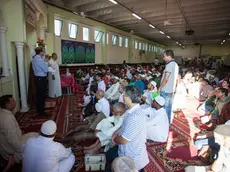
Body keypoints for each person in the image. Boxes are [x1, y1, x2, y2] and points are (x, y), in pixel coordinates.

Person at [106, 86, 149, 172]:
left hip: (131, 155)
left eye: (124, 94)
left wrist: (114, 139)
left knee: (110, 168)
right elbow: (124, 125)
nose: (122, 96)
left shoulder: (135, 117)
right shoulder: (130, 110)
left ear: (128, 98)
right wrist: (116, 132)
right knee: (107, 156)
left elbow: (124, 140)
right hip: (124, 148)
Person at [0, 95, 38, 167]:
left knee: (35, 135)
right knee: (35, 145)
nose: (15, 101)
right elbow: (12, 141)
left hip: (9, 143)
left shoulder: (2, 112)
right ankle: (15, 159)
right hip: (9, 150)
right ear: (8, 105)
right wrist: (23, 150)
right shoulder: (8, 118)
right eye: (13, 101)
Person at [158, 50, 179, 123]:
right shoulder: (175, 64)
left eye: (164, 56)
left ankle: (164, 124)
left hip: (166, 90)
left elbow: (166, 79)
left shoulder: (170, 65)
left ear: (169, 56)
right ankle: (167, 123)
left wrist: (159, 88)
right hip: (171, 90)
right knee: (169, 108)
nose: (163, 58)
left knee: (165, 109)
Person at [32, 47, 48, 116]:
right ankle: (42, 111)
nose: (44, 53)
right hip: (41, 79)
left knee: (39, 95)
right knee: (42, 95)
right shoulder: (39, 59)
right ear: (40, 52)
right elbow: (46, 70)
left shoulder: (35, 57)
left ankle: (39, 109)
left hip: (37, 78)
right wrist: (46, 62)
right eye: (43, 51)